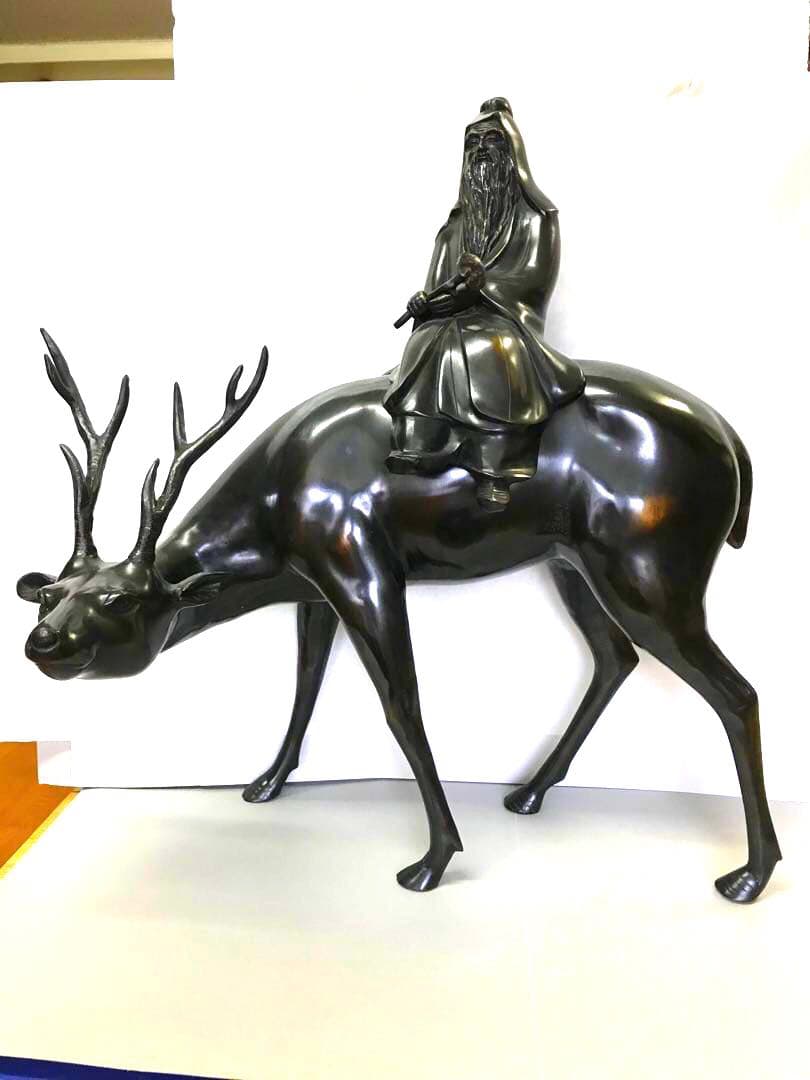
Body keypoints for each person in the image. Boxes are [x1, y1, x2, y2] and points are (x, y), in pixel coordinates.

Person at [384, 97, 585, 511]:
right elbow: (438, 283)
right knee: (424, 343)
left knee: (493, 349)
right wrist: (425, 302)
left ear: (512, 154)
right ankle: (420, 446)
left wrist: (484, 285)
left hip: (506, 320)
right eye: (473, 143)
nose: (481, 151)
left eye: (492, 141)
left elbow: (534, 281)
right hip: (454, 317)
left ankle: (497, 469)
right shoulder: (455, 227)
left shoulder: (538, 218)